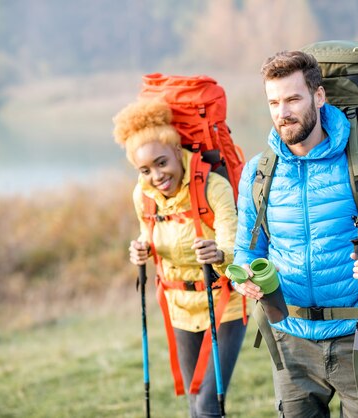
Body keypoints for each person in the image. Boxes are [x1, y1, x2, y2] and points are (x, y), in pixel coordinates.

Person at [232, 51, 358, 417]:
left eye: (292, 99)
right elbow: (246, 250)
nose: (282, 112)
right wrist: (243, 277)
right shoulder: (258, 172)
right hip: (290, 338)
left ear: (319, 97)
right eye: (273, 102)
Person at [113, 98, 246, 418]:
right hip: (179, 307)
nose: (156, 175)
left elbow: (233, 245)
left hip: (223, 303)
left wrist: (218, 253)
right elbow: (149, 235)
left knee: (208, 404)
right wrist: (140, 250)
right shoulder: (142, 195)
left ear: (176, 151)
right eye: (144, 170)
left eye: (161, 163)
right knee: (193, 402)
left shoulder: (213, 186)